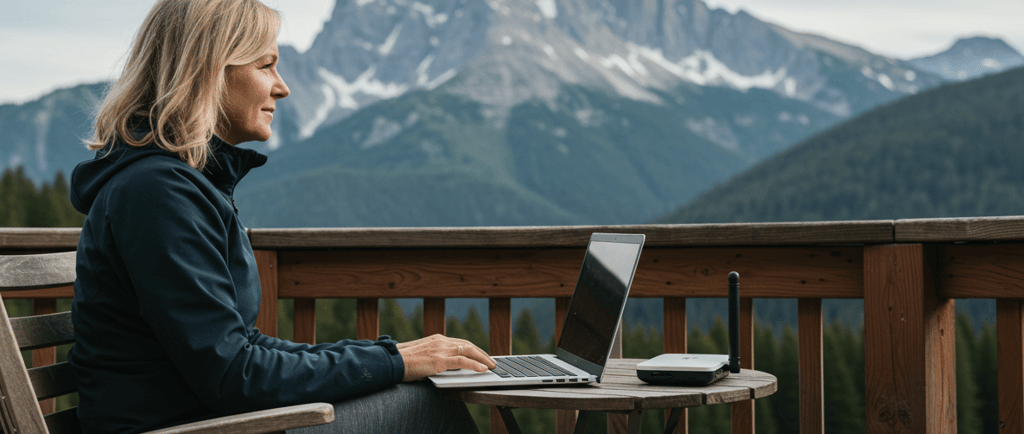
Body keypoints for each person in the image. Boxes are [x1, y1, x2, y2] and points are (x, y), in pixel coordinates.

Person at [67, 1, 495, 433]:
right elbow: (235, 374)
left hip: (206, 420)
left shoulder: (173, 185)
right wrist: (393, 361)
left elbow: (241, 349)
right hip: (188, 427)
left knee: (417, 396)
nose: (282, 87)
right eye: (267, 65)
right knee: (425, 409)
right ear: (211, 70)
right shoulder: (157, 194)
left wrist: (390, 356)